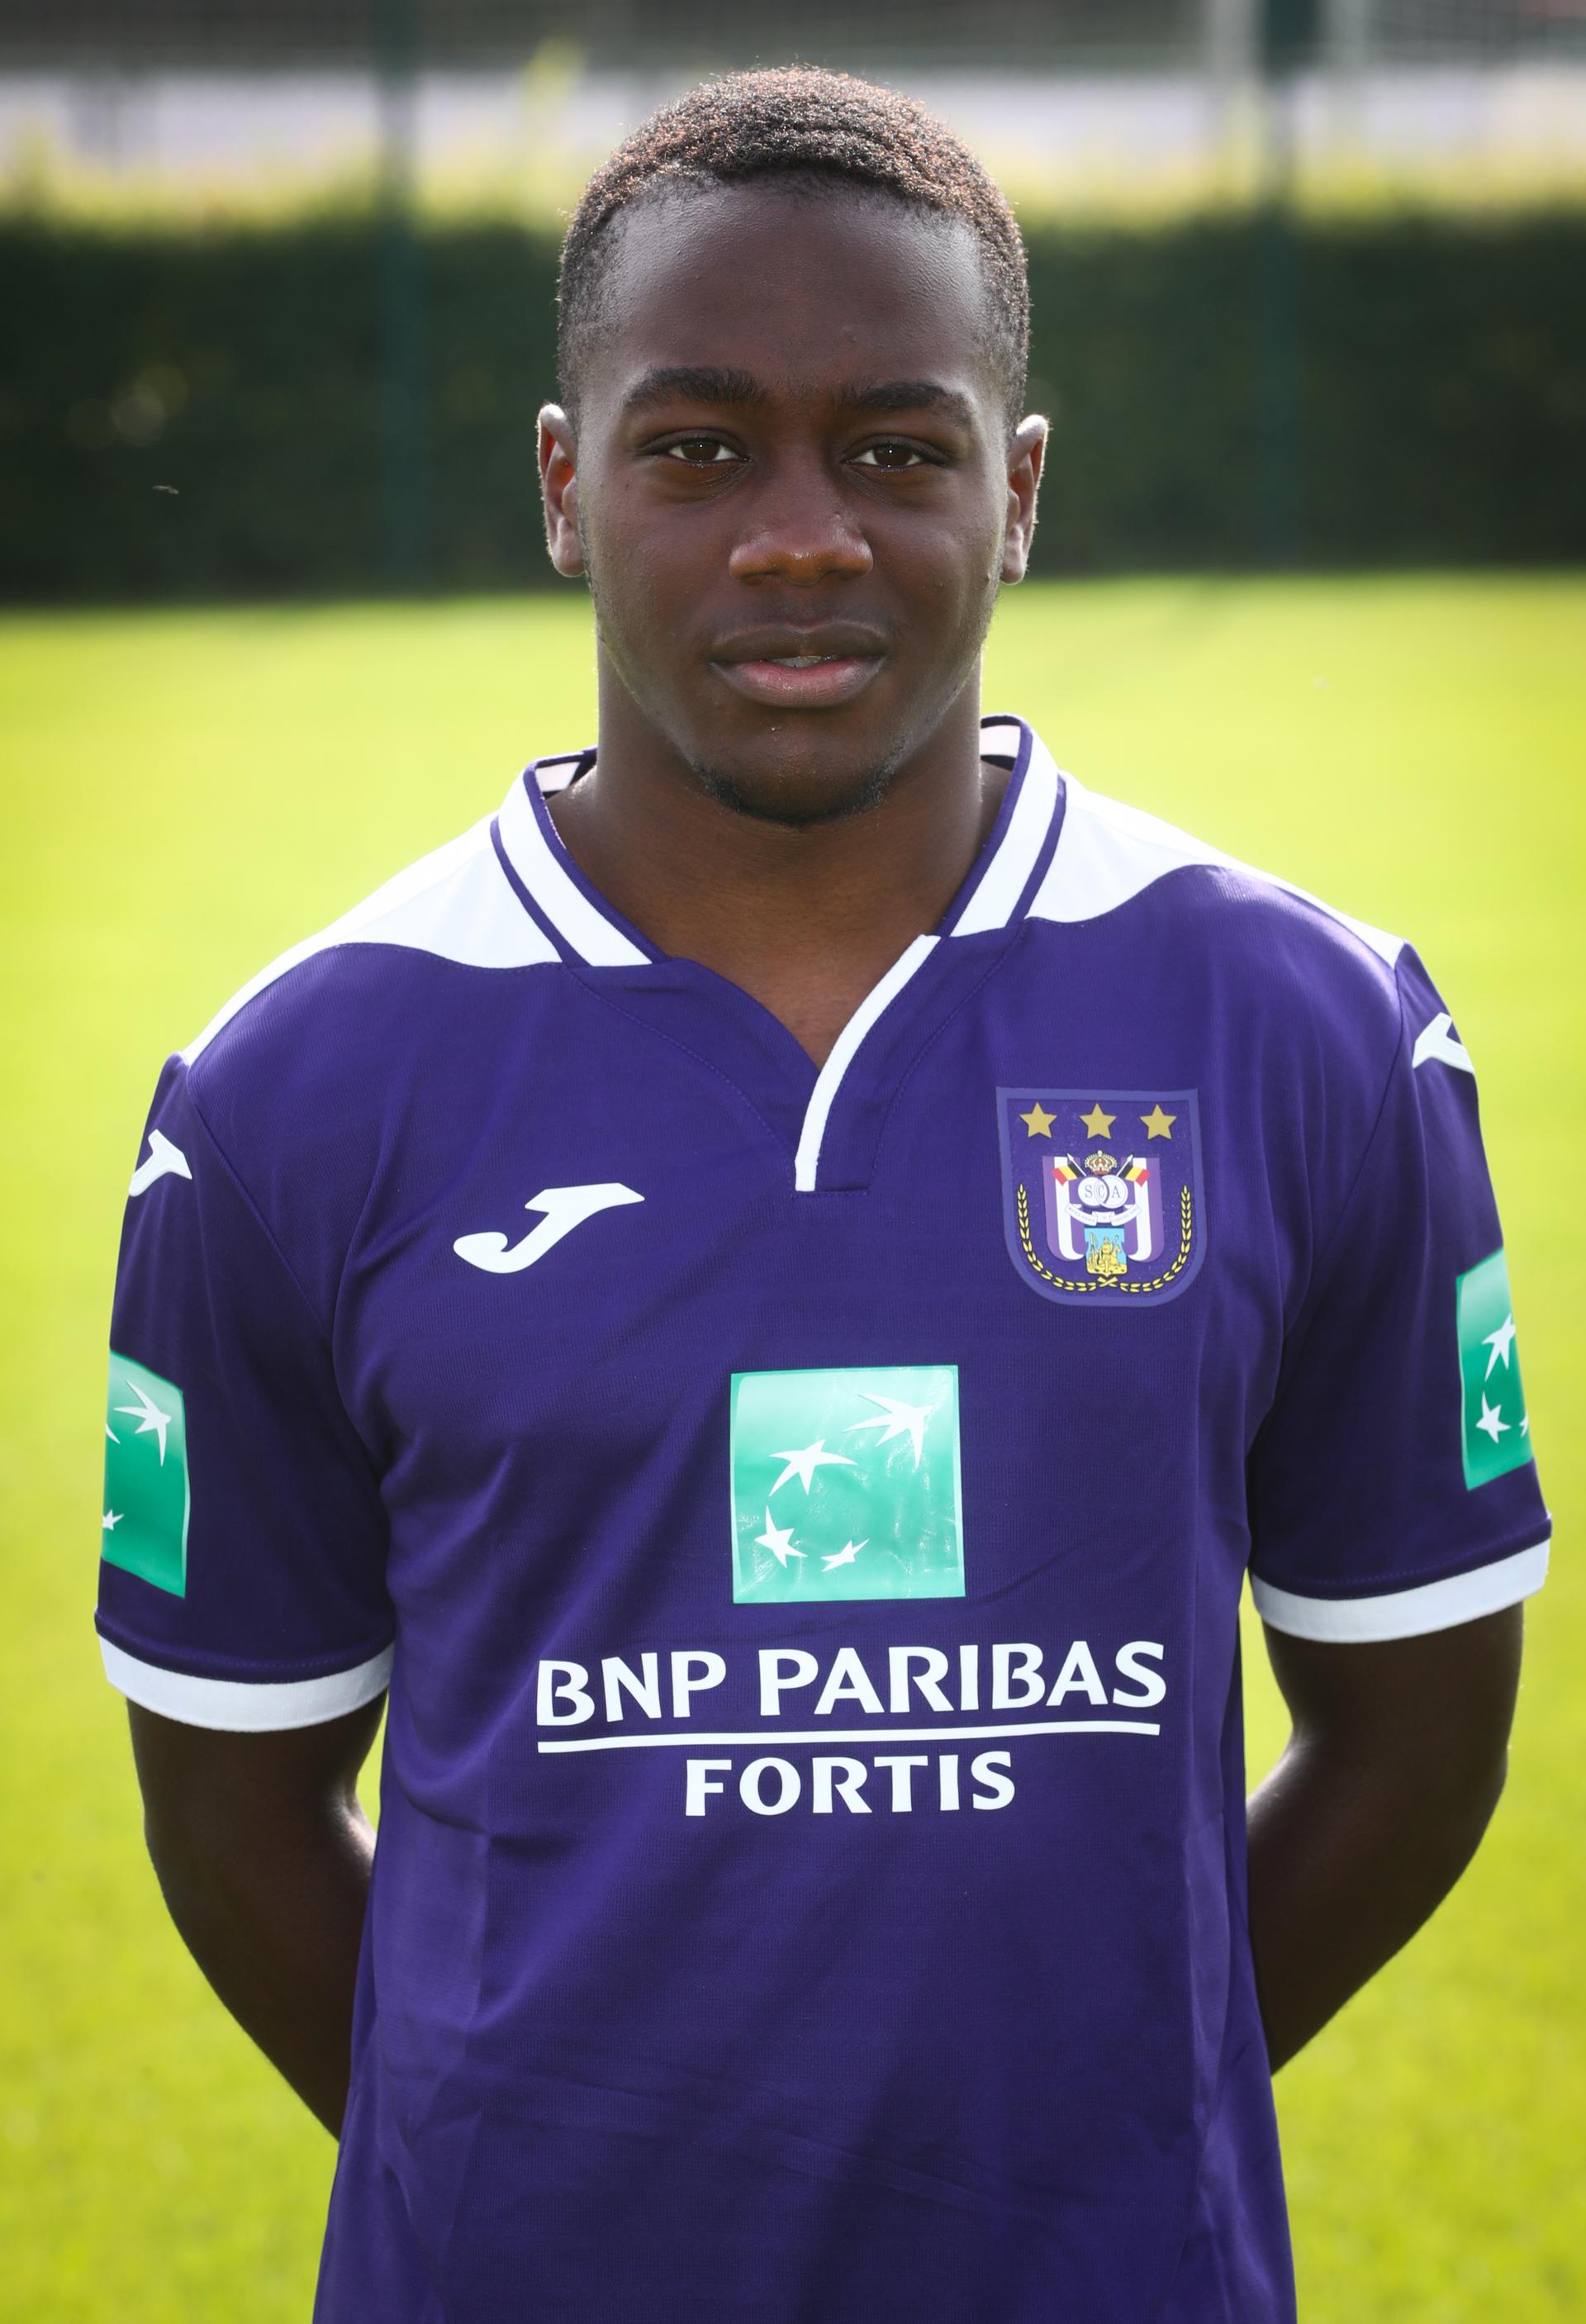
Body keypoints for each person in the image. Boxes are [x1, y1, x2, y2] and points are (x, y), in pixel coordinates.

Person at [98, 68, 1548, 2324]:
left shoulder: (1317, 1032)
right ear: (570, 488)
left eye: (896, 446)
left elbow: (1417, 1733)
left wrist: (1074, 2123)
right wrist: (547, 2154)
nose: (801, 536)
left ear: (1020, 489)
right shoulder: (295, 1085)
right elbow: (232, 1812)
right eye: (697, 450)